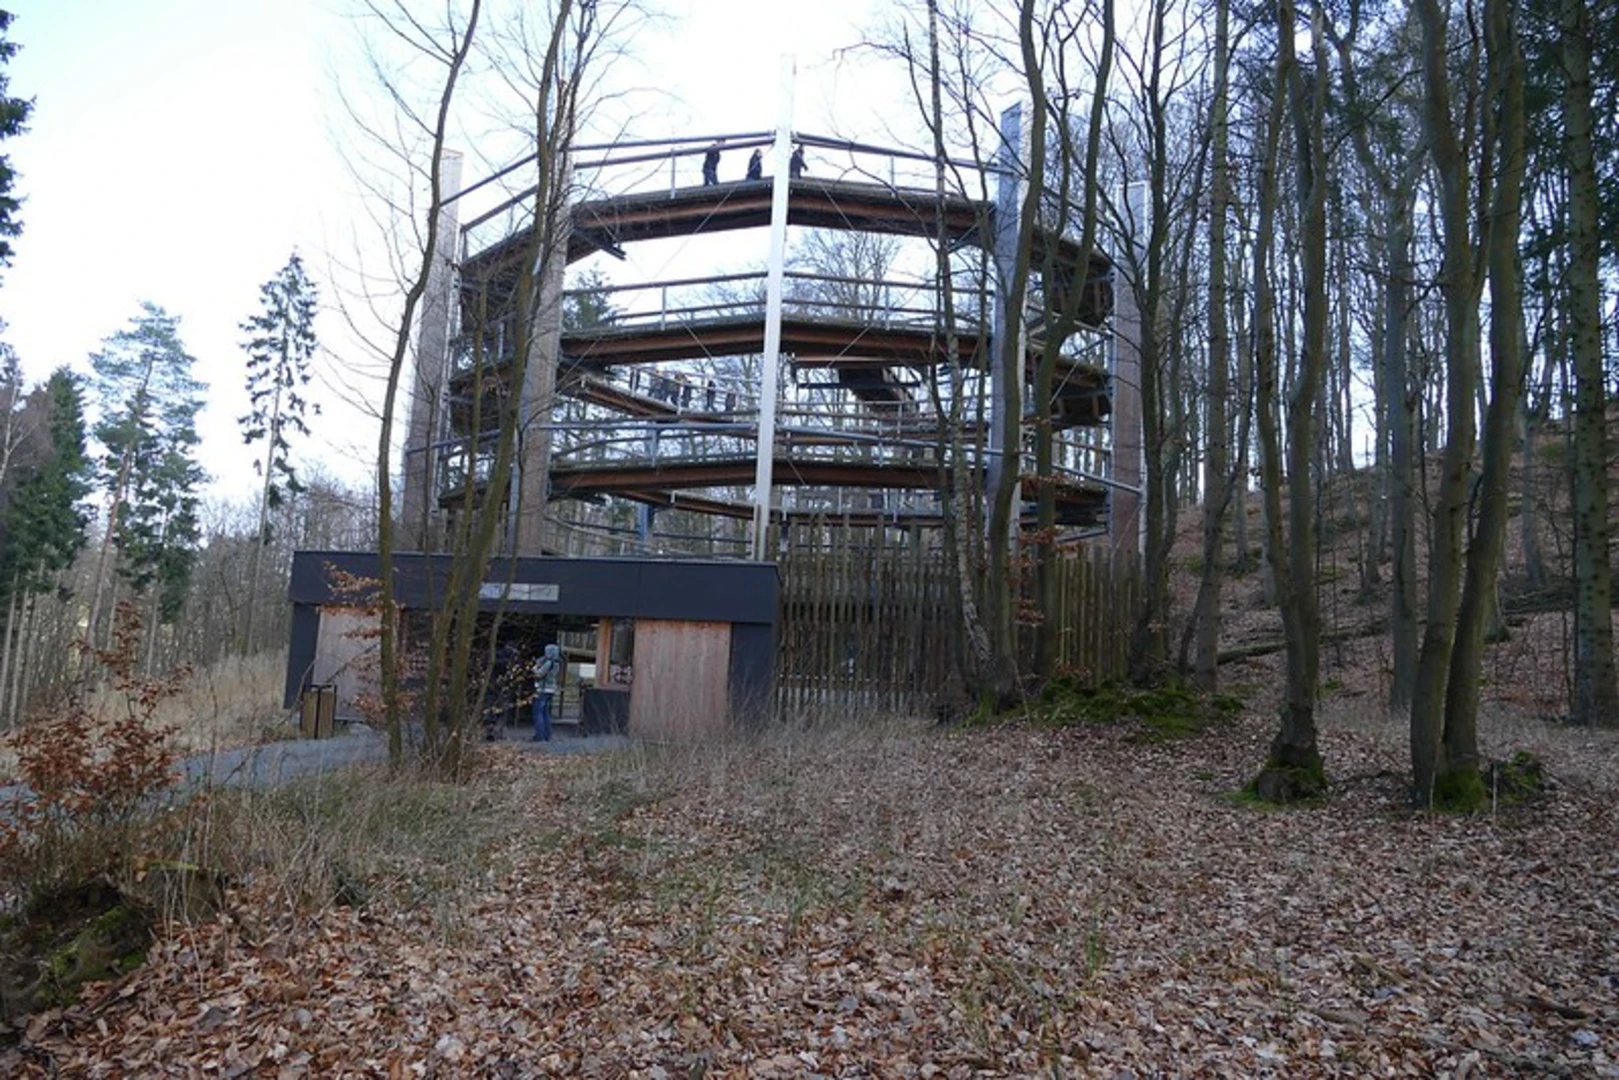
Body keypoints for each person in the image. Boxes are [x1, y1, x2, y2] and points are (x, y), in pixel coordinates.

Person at [532, 643, 564, 742]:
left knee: (538, 713)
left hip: (543, 689)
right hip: (551, 689)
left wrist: (534, 669)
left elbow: (539, 674)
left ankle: (539, 735)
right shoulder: (557, 663)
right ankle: (547, 735)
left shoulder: (548, 662)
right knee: (546, 713)